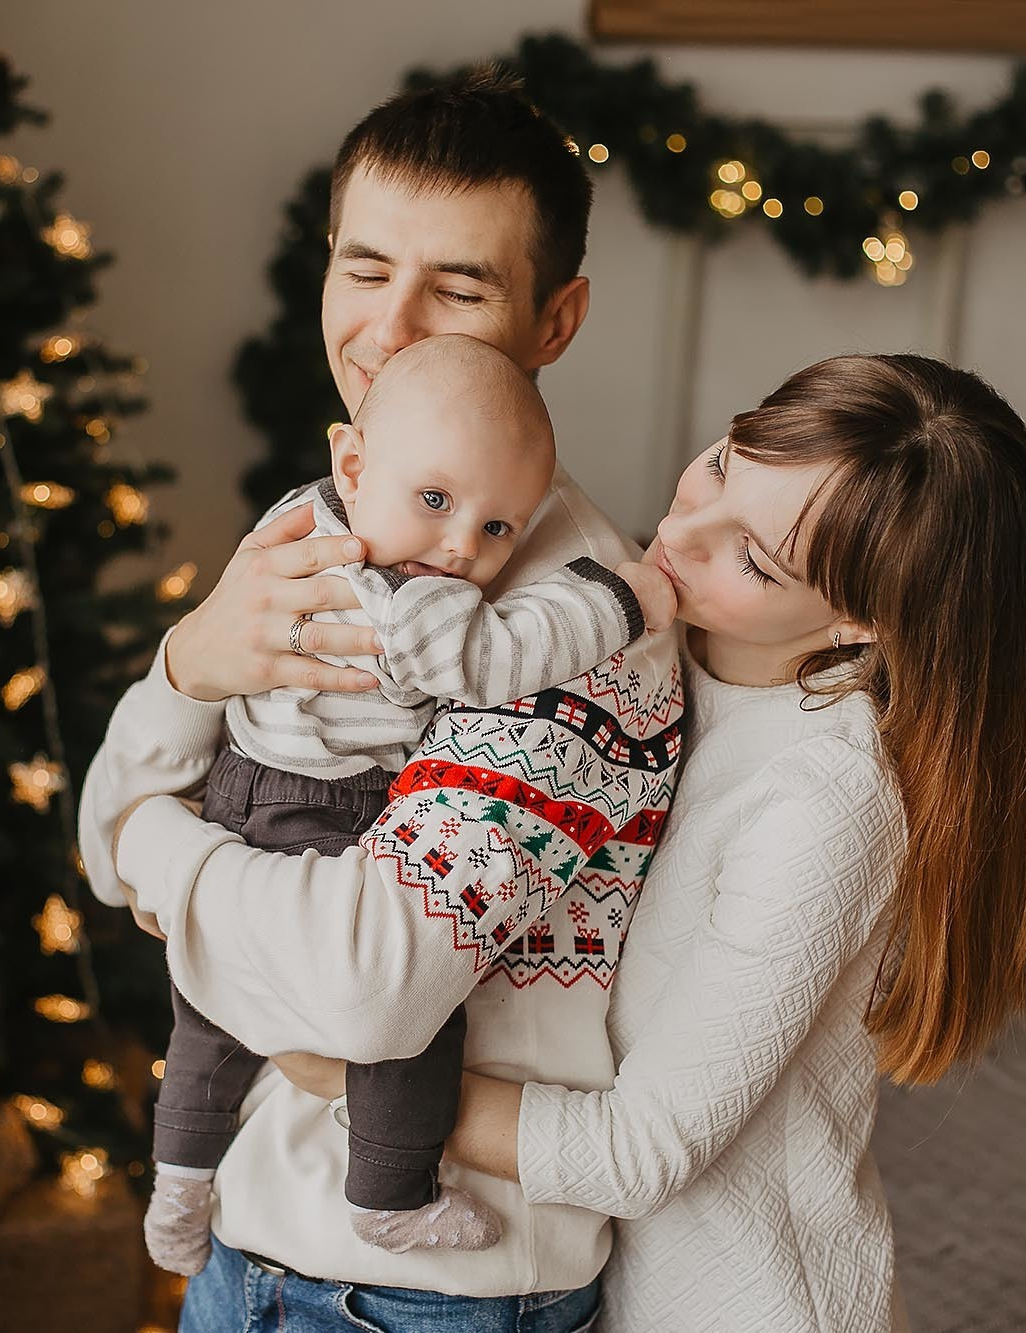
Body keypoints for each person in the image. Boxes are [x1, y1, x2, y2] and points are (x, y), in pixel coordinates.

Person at [276, 353, 1026, 1331]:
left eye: (753, 558)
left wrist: (350, 1064)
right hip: (589, 1285)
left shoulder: (822, 798)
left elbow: (637, 1151)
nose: (681, 530)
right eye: (721, 466)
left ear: (862, 623)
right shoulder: (636, 639)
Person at [82, 68, 685, 1330]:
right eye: (363, 269)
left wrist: (159, 849)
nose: (391, 328)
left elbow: (358, 989)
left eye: (458, 287)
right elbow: (99, 847)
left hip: (428, 1296)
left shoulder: (570, 625)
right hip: (244, 1248)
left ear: (555, 321)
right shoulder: (319, 526)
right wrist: (190, 660)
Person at [139, 333, 671, 1276]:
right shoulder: (403, 598)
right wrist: (616, 601)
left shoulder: (293, 524)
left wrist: (155, 842)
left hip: (240, 780)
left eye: (501, 527)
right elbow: (501, 654)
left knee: (206, 1010)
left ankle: (179, 1174)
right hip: (330, 801)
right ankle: (391, 1194)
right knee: (419, 1017)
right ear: (354, 462)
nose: (463, 546)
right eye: (437, 500)